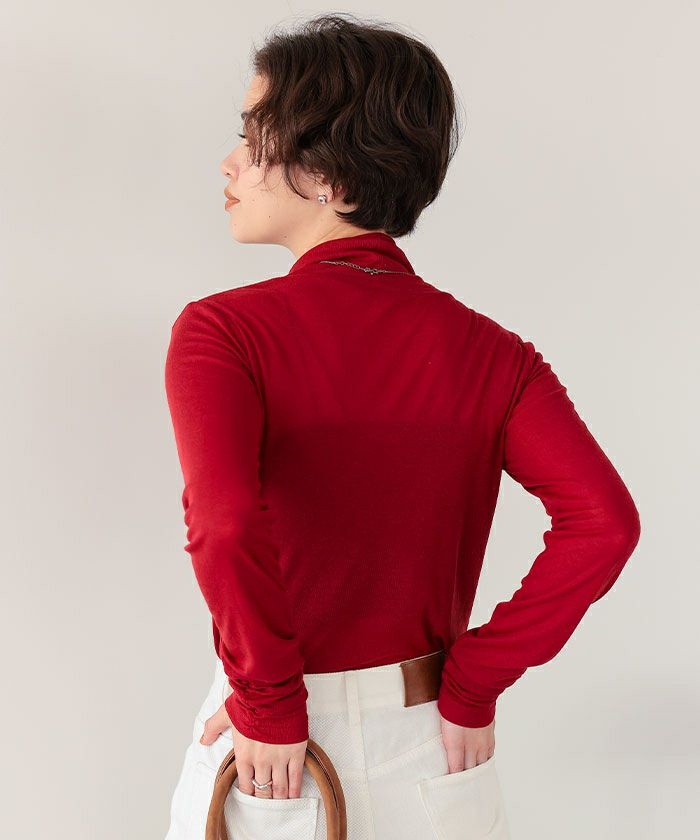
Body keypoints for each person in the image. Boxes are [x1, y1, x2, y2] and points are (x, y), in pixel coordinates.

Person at [163, 13, 641, 840]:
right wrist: (475, 682)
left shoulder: (225, 331)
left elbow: (226, 523)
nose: (230, 162)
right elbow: (605, 524)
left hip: (283, 748)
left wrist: (268, 702)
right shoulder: (495, 355)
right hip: (435, 748)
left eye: (253, 135)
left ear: (326, 173)